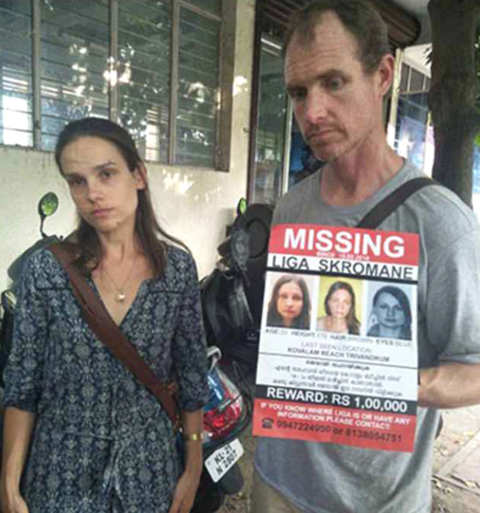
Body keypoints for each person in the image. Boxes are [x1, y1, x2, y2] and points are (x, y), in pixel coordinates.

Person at [252, 2, 480, 513]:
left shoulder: (442, 224)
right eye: (298, 92)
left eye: (333, 82)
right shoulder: (291, 207)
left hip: (374, 501)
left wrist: (382, 379)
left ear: (382, 75)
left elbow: (475, 368)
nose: (312, 112)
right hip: (276, 480)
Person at [0, 118, 209, 513]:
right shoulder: (47, 271)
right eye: (77, 181)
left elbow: (193, 374)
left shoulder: (176, 271)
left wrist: (193, 467)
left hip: (149, 473)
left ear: (138, 176)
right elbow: (23, 384)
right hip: (60, 476)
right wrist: (9, 487)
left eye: (106, 174)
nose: (92, 193)